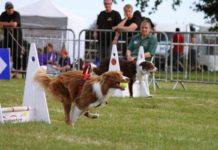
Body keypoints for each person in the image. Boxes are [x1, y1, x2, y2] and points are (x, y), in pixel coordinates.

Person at [0, 1, 23, 78]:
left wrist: (4, 23)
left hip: (16, 38)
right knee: (2, 49)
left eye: (11, 8)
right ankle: (2, 70)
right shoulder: (3, 14)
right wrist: (7, 24)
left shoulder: (16, 14)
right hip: (7, 37)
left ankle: (16, 72)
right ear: (6, 9)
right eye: (8, 8)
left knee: (16, 54)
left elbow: (14, 24)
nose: (10, 9)